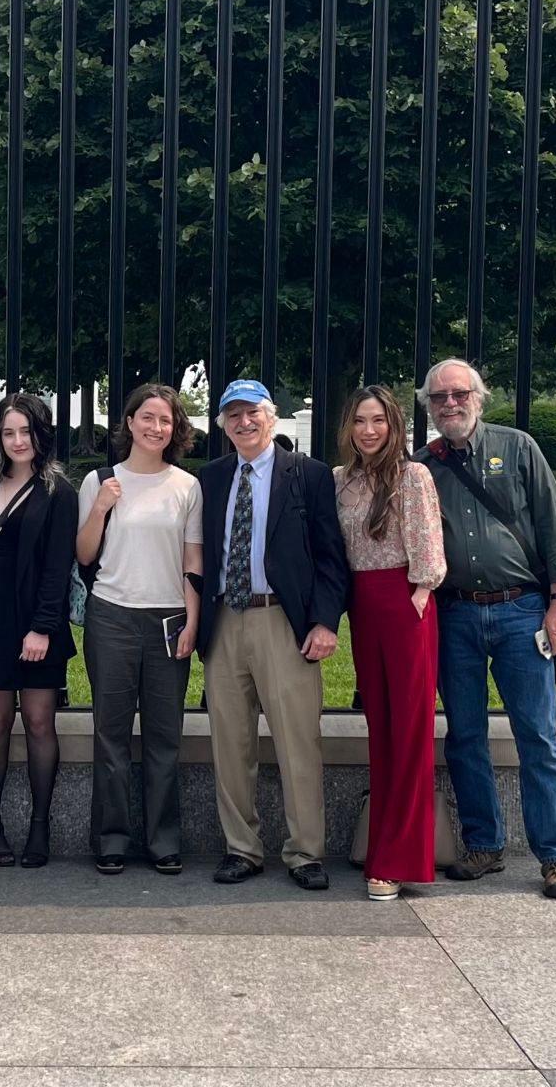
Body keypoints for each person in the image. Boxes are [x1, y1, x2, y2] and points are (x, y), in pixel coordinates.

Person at [416, 357, 556, 900]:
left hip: (520, 612)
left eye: (458, 394)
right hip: (454, 614)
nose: (450, 404)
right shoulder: (424, 465)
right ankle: (484, 845)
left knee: (538, 735)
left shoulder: (517, 447)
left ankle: (555, 855)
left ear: (478, 397)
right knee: (465, 736)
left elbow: (553, 529)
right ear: (429, 406)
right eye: (438, 398)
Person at [196, 379, 350, 890]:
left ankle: (305, 851)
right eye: (233, 415)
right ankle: (242, 848)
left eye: (253, 413)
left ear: (273, 416)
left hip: (284, 621)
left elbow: (332, 557)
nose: (244, 422)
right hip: (225, 621)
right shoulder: (212, 477)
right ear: (222, 424)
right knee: (230, 743)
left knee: (297, 741)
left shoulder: (307, 475)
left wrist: (325, 621)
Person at [76, 383, 202, 876]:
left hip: (169, 617)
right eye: (146, 417)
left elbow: (193, 559)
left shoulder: (186, 486)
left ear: (175, 429)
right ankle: (110, 838)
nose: (155, 427)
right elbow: (84, 554)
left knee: (164, 735)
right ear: (129, 422)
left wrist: (192, 620)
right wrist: (102, 507)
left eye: (165, 420)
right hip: (112, 615)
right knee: (109, 732)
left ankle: (163, 839)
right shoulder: (100, 480)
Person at [333, 385, 446, 901]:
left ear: (394, 424)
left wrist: (421, 591)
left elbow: (427, 543)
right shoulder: (341, 481)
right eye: (360, 421)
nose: (369, 430)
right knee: (380, 728)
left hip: (406, 601)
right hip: (363, 604)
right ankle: (382, 845)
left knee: (409, 730)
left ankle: (400, 858)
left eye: (378, 420)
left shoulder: (412, 475)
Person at [0, 393, 77, 869]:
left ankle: (40, 826)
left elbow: (57, 567)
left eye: (25, 432)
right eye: (7, 433)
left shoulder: (58, 492)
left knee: (37, 723)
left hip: (36, 622)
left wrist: (43, 628)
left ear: (41, 434)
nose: (17, 441)